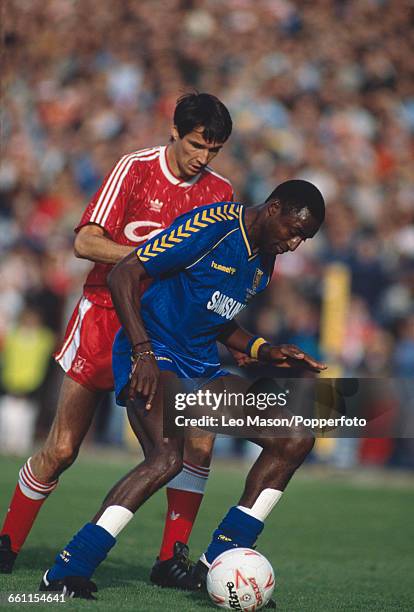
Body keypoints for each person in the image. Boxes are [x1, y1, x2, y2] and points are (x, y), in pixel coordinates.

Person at [38, 179, 327, 599]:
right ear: (273, 208)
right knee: (166, 457)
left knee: (296, 437)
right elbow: (125, 273)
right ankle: (69, 567)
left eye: (305, 237)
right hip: (152, 354)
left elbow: (216, 320)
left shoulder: (264, 261)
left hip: (201, 367)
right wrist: (142, 353)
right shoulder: (212, 226)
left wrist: (266, 349)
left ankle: (219, 559)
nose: (296, 243)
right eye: (294, 230)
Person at [0, 93, 234, 575]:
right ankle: (8, 541)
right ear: (174, 131)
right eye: (195, 146)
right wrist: (149, 253)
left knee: (194, 443)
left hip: (164, 331)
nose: (202, 158)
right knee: (62, 449)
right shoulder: (134, 168)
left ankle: (171, 558)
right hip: (105, 316)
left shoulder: (220, 194)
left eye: (213, 151)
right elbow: (85, 239)